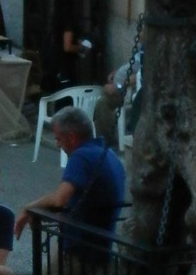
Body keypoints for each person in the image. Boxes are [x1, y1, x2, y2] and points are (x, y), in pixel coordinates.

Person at [14, 106, 126, 269]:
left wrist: (28, 208)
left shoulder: (81, 156)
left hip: (80, 251)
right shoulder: (109, 155)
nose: (58, 145)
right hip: (102, 247)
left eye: (58, 139)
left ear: (72, 137)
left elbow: (60, 198)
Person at [48, 0, 88, 90]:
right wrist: (82, 48)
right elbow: (68, 46)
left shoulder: (57, 15)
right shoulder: (68, 19)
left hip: (56, 58)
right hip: (65, 63)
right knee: (67, 91)